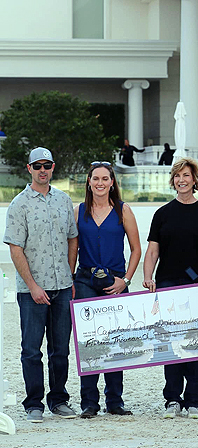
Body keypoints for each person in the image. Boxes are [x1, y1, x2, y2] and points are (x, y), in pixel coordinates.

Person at [3, 147, 79, 422]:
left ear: (53, 167)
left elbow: (73, 238)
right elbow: (15, 249)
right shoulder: (19, 204)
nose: (43, 170)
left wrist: (70, 275)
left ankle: (58, 400)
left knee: (60, 349)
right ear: (29, 169)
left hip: (62, 287)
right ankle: (33, 403)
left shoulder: (63, 200)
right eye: (38, 166)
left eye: (47, 165)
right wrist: (33, 286)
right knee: (32, 350)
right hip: (31, 290)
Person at [142, 157, 198, 419]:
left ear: (194, 179)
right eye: (177, 176)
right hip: (166, 284)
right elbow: (152, 251)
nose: (181, 180)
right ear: (173, 180)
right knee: (170, 343)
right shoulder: (162, 214)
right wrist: (147, 276)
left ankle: (195, 400)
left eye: (186, 175)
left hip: (196, 286)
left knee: (196, 343)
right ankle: (173, 400)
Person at [74, 162, 142, 418]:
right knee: (89, 343)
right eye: (96, 179)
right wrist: (71, 280)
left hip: (115, 282)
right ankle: (89, 402)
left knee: (115, 342)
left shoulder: (124, 211)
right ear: (89, 182)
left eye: (105, 178)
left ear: (112, 182)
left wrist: (125, 279)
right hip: (85, 281)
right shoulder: (78, 211)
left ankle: (115, 400)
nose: (100, 183)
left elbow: (136, 249)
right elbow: (73, 248)